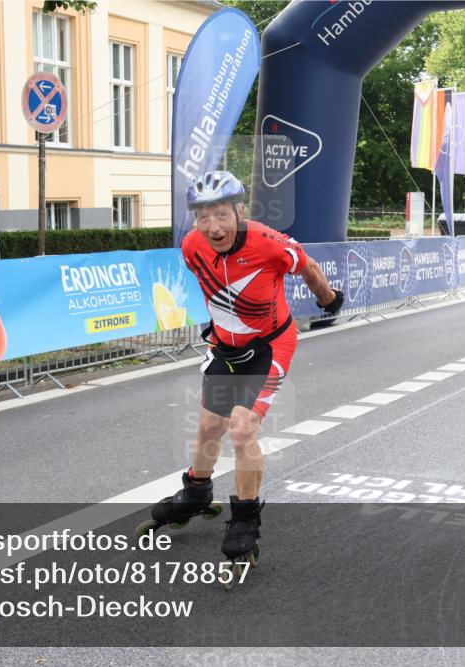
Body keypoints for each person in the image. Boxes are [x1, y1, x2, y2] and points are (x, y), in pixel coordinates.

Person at [140, 171, 341, 571]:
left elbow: (309, 266)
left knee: (242, 427)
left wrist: (328, 300)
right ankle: (197, 491)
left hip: (269, 347)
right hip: (225, 348)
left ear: (240, 211)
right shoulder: (191, 246)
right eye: (203, 217)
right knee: (208, 426)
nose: (213, 227)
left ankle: (246, 517)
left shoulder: (269, 243)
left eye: (221, 215)